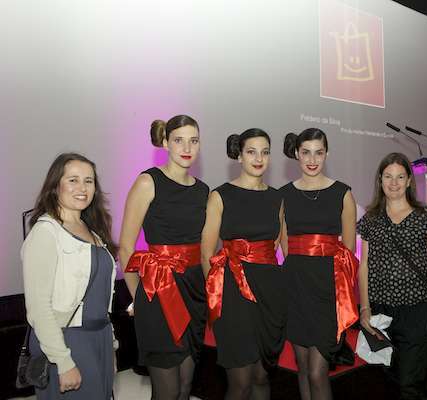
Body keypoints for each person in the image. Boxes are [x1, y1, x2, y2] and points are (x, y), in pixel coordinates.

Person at [119, 115, 209, 400]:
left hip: (194, 293)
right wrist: (138, 298)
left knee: (185, 387)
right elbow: (126, 248)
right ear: (166, 143)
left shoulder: (203, 190)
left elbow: (204, 249)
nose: (187, 148)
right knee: (167, 392)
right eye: (179, 140)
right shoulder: (148, 182)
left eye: (193, 141)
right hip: (158, 292)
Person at [22, 153, 118, 399]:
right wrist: (63, 361)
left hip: (99, 338)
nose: (82, 188)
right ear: (56, 186)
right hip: (67, 343)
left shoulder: (94, 231)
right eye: (73, 180)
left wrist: (110, 345)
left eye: (89, 181)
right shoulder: (46, 232)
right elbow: (39, 308)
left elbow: (100, 298)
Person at [357, 152, 427, 400]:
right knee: (389, 378)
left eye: (400, 177)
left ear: (409, 180)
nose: (394, 183)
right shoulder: (370, 219)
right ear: (380, 180)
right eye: (388, 176)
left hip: (416, 311)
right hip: (380, 312)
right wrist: (364, 308)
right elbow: (364, 266)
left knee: (411, 384)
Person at [201, 128, 284, 400]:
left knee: (261, 376)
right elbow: (206, 253)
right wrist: (217, 296)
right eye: (251, 152)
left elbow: (277, 247)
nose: (259, 159)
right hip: (232, 293)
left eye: (265, 152)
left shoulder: (277, 198)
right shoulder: (220, 196)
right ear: (239, 156)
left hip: (269, 294)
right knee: (241, 381)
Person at [279, 128, 358, 400]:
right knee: (302, 368)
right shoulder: (283, 195)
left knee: (317, 372)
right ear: (297, 154)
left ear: (327, 154)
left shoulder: (342, 193)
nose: (312, 160)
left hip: (328, 290)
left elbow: (348, 251)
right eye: (306, 153)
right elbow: (286, 247)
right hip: (295, 288)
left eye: (319, 153)